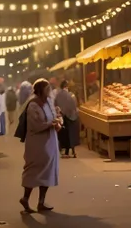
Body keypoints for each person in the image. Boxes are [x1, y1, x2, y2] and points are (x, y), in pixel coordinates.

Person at [20, 79, 61, 213]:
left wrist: (58, 121)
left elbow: (54, 117)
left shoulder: (48, 102)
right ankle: (25, 198)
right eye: (47, 89)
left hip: (50, 141)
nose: (49, 91)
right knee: (34, 170)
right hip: (38, 143)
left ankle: (41, 202)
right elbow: (35, 126)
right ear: (40, 90)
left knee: (48, 171)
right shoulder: (33, 105)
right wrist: (50, 124)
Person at [54, 80, 80, 158]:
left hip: (63, 117)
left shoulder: (58, 95)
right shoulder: (71, 95)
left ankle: (66, 151)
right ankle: (73, 151)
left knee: (65, 136)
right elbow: (75, 106)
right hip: (72, 117)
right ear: (67, 87)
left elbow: (56, 105)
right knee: (72, 135)